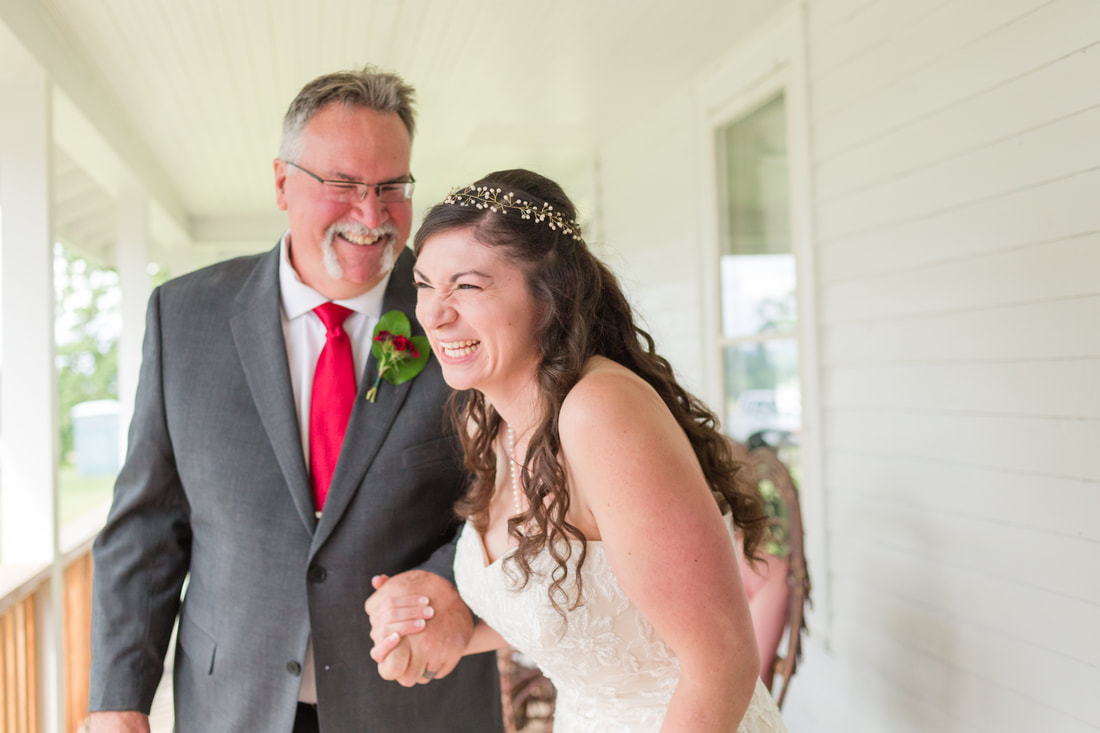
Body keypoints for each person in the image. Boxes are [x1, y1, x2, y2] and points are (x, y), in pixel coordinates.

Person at [88, 67, 503, 733]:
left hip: (416, 703)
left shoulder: (463, 316)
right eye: (342, 184)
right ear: (282, 183)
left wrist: (446, 583)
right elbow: (147, 527)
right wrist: (117, 697)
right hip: (234, 706)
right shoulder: (184, 315)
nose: (371, 216)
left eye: (391, 187)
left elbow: (512, 495)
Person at [367, 168, 789, 731]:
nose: (434, 313)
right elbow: (587, 615)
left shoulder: (599, 412)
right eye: (423, 284)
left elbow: (722, 663)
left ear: (550, 296)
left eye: (466, 286)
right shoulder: (488, 418)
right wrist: (449, 629)